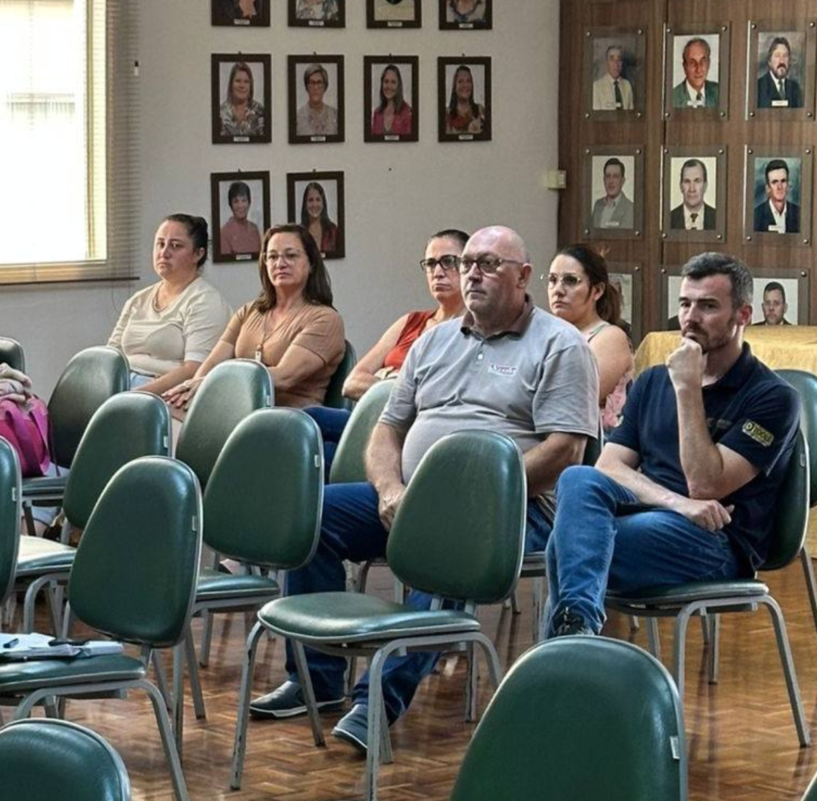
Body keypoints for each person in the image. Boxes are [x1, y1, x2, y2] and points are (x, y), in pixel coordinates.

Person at [248, 226, 598, 750]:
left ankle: (375, 704)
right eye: (468, 264)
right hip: (408, 495)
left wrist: (472, 494)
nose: (472, 274)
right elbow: (386, 430)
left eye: (488, 264)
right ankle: (315, 682)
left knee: (445, 541)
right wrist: (389, 489)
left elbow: (565, 451)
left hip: (508, 509)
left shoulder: (559, 345)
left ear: (524, 276)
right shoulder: (433, 340)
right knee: (312, 518)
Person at [544, 253, 799, 637]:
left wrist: (687, 389)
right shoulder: (652, 381)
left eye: (708, 306)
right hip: (655, 513)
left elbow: (706, 486)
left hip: (716, 543)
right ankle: (578, 636)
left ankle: (571, 651)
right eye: (685, 304)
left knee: (569, 546)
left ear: (743, 315)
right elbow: (609, 467)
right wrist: (677, 503)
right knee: (578, 479)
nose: (690, 317)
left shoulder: (773, 397)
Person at [304, 230, 469, 470]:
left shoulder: (470, 329)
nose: (438, 271)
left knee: (316, 448)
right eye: (431, 264)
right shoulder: (410, 322)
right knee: (305, 424)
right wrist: (402, 387)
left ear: (468, 267)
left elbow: (438, 397)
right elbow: (352, 383)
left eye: (448, 262)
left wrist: (387, 377)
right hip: (373, 417)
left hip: (413, 431)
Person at [161, 224, 345, 412]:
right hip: (235, 409)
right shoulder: (249, 311)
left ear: (311, 263)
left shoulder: (326, 319)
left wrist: (210, 383)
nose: (280, 263)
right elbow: (210, 365)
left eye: (291, 255)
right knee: (163, 413)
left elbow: (283, 377)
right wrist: (191, 392)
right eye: (272, 257)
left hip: (287, 420)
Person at [108, 214, 232, 394]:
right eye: (160, 244)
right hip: (123, 383)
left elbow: (194, 370)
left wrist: (135, 396)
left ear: (198, 254)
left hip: (167, 393)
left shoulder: (205, 301)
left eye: (175, 246)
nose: (164, 252)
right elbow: (111, 356)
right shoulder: (138, 300)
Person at [547, 245, 634, 432]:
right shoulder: (545, 335)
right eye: (552, 280)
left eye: (570, 281)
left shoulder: (610, 337)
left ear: (597, 291)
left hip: (594, 447)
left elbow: (578, 401)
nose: (558, 290)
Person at [219, 61, 267, 139]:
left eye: (246, 82)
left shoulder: (261, 111)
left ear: (250, 86)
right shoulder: (220, 112)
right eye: (238, 81)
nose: (242, 86)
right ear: (231, 84)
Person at [754, 159, 801, 232]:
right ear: (768, 188)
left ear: (788, 185)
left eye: (783, 181)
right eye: (774, 182)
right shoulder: (756, 216)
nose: (779, 187)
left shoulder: (799, 213)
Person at [669, 158, 717, 230]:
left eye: (697, 181)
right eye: (687, 181)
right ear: (681, 186)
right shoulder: (669, 219)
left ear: (705, 185)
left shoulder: (718, 218)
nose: (692, 189)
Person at [672, 37, 721, 108]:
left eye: (702, 62)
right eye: (692, 63)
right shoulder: (673, 98)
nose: (698, 69)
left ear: (708, 63)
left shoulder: (720, 93)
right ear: (685, 66)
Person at [757, 36, 804, 108]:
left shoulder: (795, 88)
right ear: (769, 61)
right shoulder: (758, 87)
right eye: (777, 56)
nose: (782, 61)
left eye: (785, 56)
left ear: (789, 61)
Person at [219, 181, 263, 256]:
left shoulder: (254, 229)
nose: (240, 205)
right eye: (236, 201)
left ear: (249, 203)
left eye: (244, 200)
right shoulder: (225, 232)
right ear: (230, 205)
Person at [590, 157, 636, 228]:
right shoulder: (598, 205)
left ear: (622, 181)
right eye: (608, 176)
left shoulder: (630, 209)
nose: (611, 181)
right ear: (604, 180)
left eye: (615, 176)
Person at [296, 63, 339, 137]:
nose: (315, 87)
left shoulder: (335, 115)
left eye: (319, 82)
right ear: (307, 87)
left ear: (325, 86)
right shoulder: (298, 117)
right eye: (312, 83)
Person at [370, 63, 413, 137]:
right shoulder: (377, 113)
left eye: (393, 82)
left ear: (398, 85)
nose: (389, 86)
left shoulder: (408, 113)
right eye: (386, 81)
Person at [445, 65, 487, 135]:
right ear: (454, 86)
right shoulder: (446, 115)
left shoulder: (481, 111)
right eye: (460, 81)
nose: (465, 85)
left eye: (468, 81)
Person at [299, 182, 340, 253]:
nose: (314, 205)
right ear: (305, 204)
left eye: (318, 200)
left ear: (323, 203)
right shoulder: (299, 232)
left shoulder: (333, 231)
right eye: (310, 200)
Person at [592, 45, 635, 110]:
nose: (616, 64)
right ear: (607, 62)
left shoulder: (627, 85)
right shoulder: (596, 86)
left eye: (619, 59)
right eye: (612, 59)